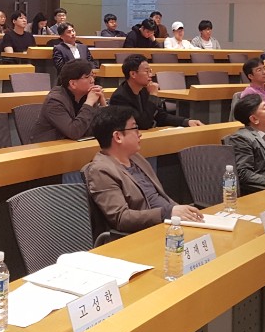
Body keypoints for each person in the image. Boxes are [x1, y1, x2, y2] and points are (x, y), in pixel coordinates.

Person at [82, 105, 203, 235]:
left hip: (170, 224)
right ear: (118, 137)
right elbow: (121, 218)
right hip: (146, 233)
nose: (139, 134)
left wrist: (180, 211)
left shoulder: (135, 157)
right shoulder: (100, 170)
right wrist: (167, 213)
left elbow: (162, 198)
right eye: (135, 128)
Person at [108, 54, 202, 129]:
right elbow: (142, 124)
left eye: (150, 71)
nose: (151, 75)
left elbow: (160, 116)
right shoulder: (120, 98)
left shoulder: (143, 91)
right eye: (147, 71)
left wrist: (186, 122)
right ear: (133, 74)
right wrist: (153, 95)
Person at [31, 59, 106, 142]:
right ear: (73, 84)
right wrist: (89, 103)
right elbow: (74, 132)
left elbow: (104, 127)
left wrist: (103, 104)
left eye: (92, 75)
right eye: (87, 77)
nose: (92, 80)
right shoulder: (54, 101)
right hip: (50, 146)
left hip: (76, 145)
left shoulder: (87, 95)